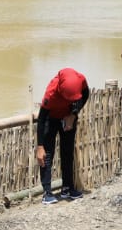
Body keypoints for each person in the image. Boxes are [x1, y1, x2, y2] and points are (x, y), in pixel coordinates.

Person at [36, 68, 89, 204]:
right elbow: (41, 119)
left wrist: (73, 114)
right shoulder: (51, 93)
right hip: (51, 119)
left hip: (68, 117)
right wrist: (40, 146)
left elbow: (86, 95)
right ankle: (47, 192)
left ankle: (67, 188)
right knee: (47, 154)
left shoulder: (81, 80)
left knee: (67, 152)